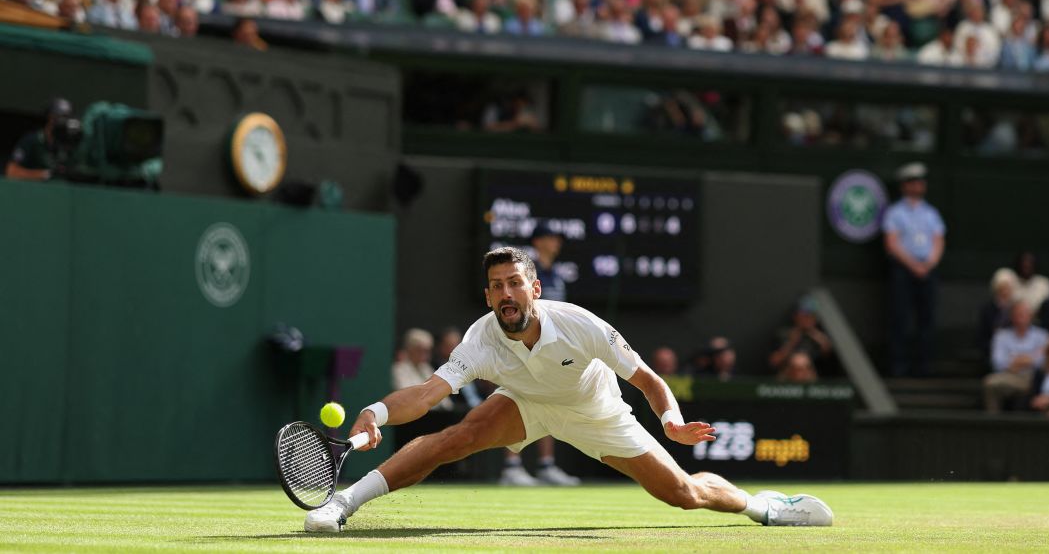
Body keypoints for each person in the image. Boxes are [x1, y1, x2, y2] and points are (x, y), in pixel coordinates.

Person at [304, 247, 833, 532]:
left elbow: (647, 379)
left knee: (683, 495)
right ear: (488, 294)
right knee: (454, 438)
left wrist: (669, 421)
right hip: (525, 403)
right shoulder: (481, 337)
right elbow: (425, 393)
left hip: (595, 409)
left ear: (534, 288)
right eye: (496, 286)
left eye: (515, 283)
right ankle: (343, 503)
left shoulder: (581, 324)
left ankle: (761, 507)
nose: (506, 294)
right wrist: (374, 411)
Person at [498, 223, 582, 487]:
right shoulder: (523, 272)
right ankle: (511, 467)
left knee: (550, 404)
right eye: (551, 237)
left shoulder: (556, 275)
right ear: (538, 241)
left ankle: (546, 466)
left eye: (558, 238)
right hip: (521, 347)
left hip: (551, 350)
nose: (556, 242)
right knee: (515, 403)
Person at [882, 162, 946, 376]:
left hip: (927, 270)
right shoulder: (895, 212)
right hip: (904, 270)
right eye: (914, 183)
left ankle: (924, 366)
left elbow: (938, 241)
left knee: (926, 320)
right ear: (905, 186)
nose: (919, 186)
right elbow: (892, 243)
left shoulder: (931, 213)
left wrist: (928, 264)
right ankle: (898, 366)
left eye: (921, 182)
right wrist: (913, 265)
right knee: (900, 318)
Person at [983, 301, 1049, 413]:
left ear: (1031, 316)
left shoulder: (1042, 335)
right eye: (1018, 314)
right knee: (990, 383)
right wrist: (1028, 359)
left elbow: (1043, 361)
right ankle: (992, 422)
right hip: (1009, 376)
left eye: (1024, 314)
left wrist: (1016, 361)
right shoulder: (1001, 336)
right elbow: (998, 362)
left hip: (1034, 377)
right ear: (1012, 317)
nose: (1021, 317)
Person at [5, 98, 77, 181]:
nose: (65, 122)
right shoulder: (33, 140)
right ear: (51, 117)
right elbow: (12, 172)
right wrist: (44, 174)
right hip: (33, 190)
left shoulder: (70, 144)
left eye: (68, 118)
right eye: (62, 117)